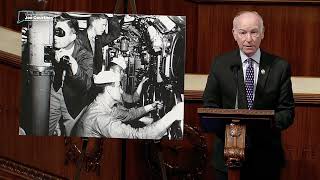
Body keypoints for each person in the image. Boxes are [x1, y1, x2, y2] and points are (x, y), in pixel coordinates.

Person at [203, 11, 295, 180]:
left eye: (254, 32)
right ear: (234, 34)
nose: (249, 39)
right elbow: (209, 106)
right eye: (243, 32)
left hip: (266, 158)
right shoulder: (221, 64)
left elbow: (287, 112)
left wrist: (265, 124)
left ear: (262, 33)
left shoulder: (279, 67)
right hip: (227, 156)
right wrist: (231, 131)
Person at [73, 71, 183, 139]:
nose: (121, 91)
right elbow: (137, 136)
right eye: (119, 86)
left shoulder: (102, 106)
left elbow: (128, 114)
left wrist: (151, 106)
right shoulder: (100, 118)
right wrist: (173, 115)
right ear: (109, 89)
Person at [49, 16, 93, 136]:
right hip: (54, 91)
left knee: (72, 136)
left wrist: (74, 65)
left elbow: (86, 85)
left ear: (72, 36)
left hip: (74, 100)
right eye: (54, 32)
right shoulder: (51, 48)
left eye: (60, 33)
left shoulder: (85, 55)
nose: (55, 37)